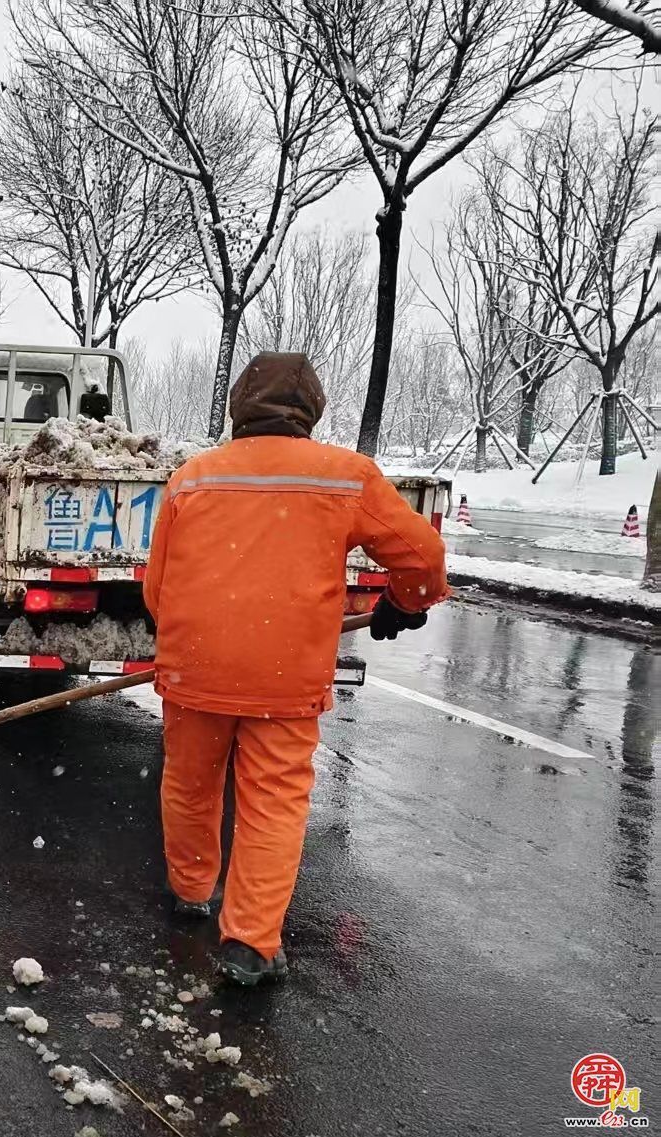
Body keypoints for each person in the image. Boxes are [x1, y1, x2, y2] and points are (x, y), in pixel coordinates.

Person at [142, 352, 448, 985]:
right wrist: (404, 600)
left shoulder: (193, 478)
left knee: (191, 784)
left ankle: (192, 890)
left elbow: (157, 585)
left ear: (239, 409)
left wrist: (188, 639)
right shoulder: (345, 477)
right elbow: (422, 553)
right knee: (272, 802)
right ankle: (251, 941)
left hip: (195, 665)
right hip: (284, 676)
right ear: (312, 410)